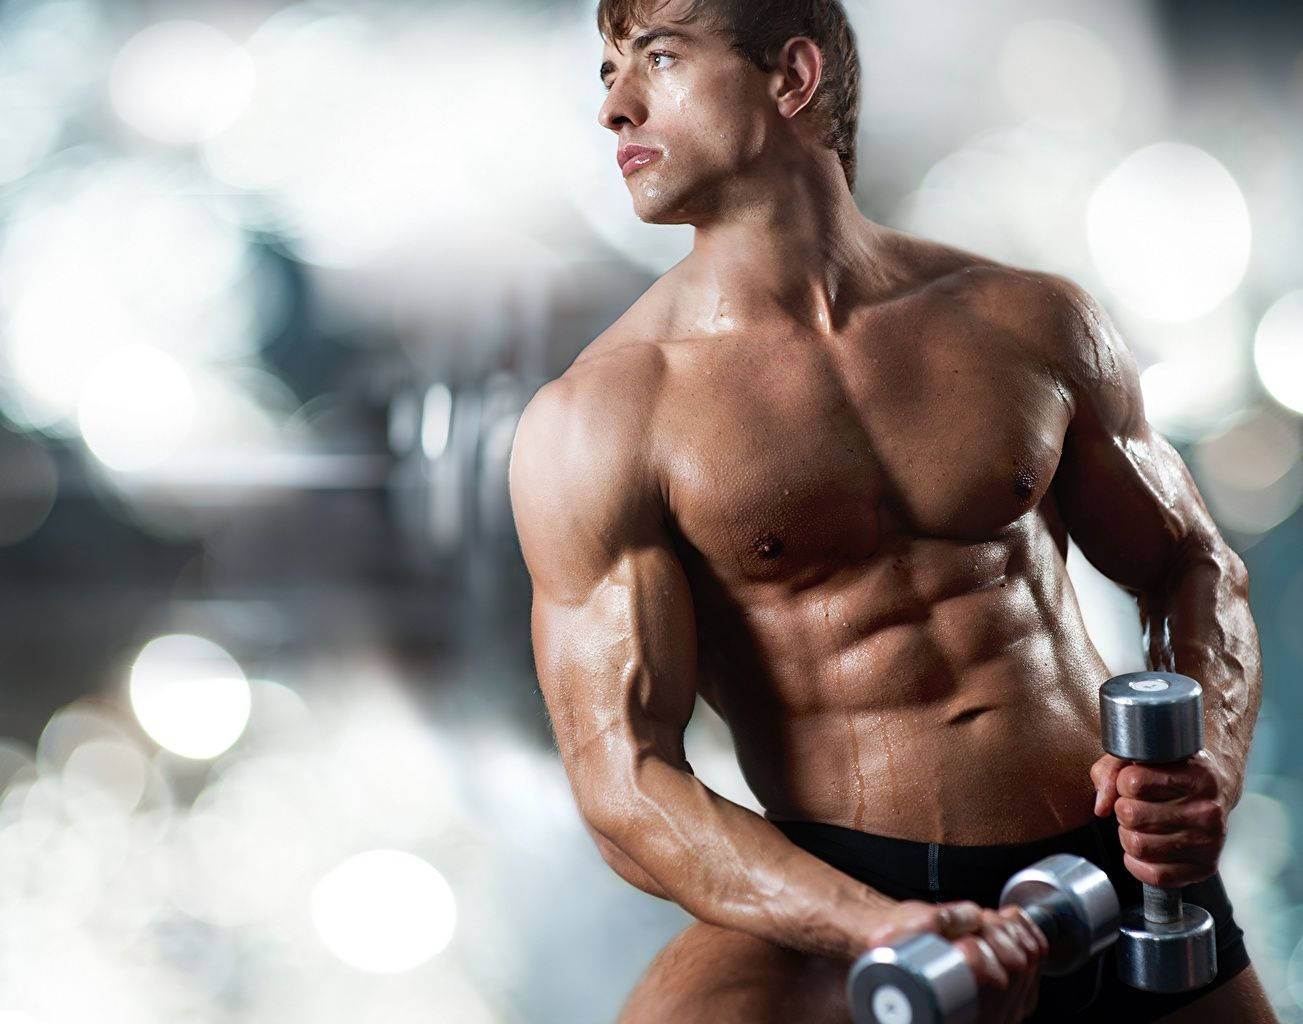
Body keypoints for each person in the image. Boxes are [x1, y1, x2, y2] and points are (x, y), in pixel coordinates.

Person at [507, 0, 1276, 1020]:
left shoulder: (1028, 321)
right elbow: (623, 782)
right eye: (606, 70)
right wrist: (866, 924)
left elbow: (1192, 564)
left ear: (790, 78)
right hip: (847, 885)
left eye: (656, 56)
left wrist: (1200, 773)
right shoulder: (601, 417)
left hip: (1114, 860)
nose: (614, 106)